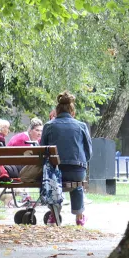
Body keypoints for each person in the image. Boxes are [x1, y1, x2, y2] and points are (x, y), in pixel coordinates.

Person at [40, 91, 91, 226]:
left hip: (55, 172)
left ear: (57, 111)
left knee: (54, 178)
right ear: (72, 112)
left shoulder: (49, 126)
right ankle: (79, 217)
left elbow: (42, 151)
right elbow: (89, 153)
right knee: (77, 185)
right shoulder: (82, 126)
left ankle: (53, 215)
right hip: (77, 171)